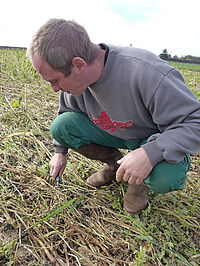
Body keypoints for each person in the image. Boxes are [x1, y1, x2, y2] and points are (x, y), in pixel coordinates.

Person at [27, 18, 200, 215]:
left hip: (153, 137)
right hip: (117, 132)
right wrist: (60, 152)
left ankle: (139, 184)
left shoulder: (145, 72)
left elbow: (195, 120)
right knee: (61, 126)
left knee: (165, 177)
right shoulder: (75, 84)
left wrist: (150, 153)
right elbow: (66, 113)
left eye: (55, 80)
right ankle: (114, 166)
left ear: (78, 65)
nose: (54, 89)